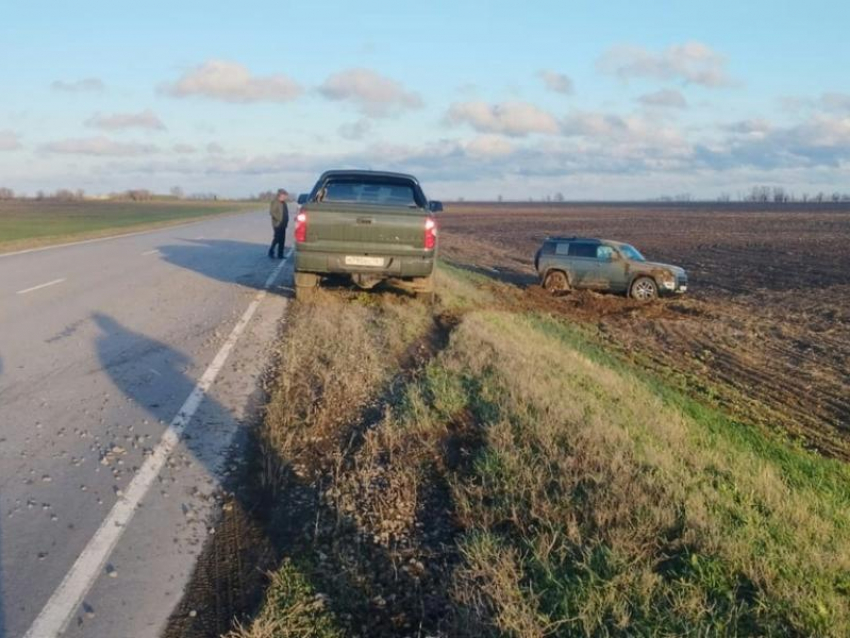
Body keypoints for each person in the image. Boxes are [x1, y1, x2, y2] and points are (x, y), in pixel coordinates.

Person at [268, 188, 289, 259]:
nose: (286, 197)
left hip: (283, 224)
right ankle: (271, 251)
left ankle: (280, 254)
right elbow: (272, 212)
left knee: (282, 240)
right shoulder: (275, 202)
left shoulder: (284, 203)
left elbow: (285, 212)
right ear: (281, 195)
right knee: (277, 238)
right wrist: (279, 219)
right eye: (285, 196)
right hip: (277, 224)